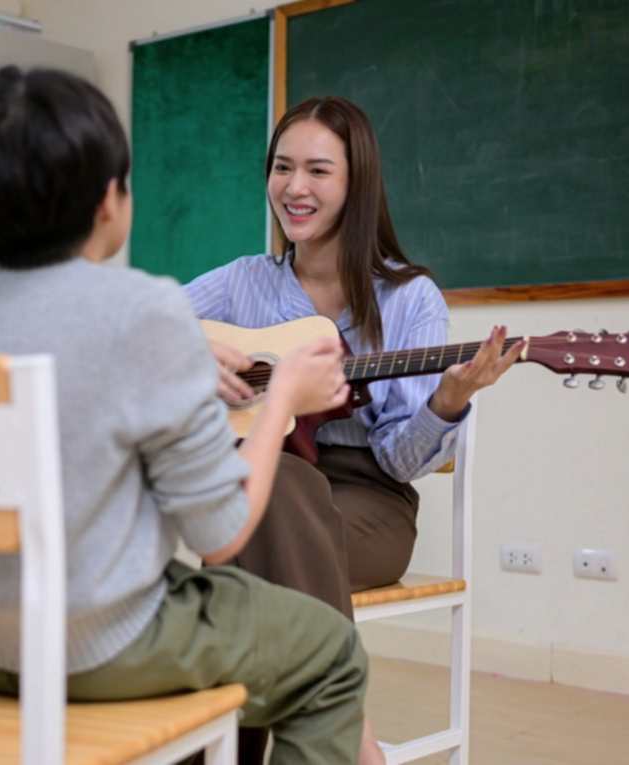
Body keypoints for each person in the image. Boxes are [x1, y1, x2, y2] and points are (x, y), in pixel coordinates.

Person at [0, 66, 374, 763]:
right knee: (333, 653)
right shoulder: (143, 310)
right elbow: (220, 535)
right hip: (97, 642)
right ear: (109, 202)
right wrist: (282, 400)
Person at [185, 95, 524, 761]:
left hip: (368, 504)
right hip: (272, 493)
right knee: (268, 494)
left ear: (355, 182)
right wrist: (195, 352)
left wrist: (446, 404)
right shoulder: (243, 283)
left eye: (317, 170)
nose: (294, 187)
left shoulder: (409, 297)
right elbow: (136, 325)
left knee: (248, 530)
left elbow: (401, 462)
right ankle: (349, 741)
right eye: (282, 168)